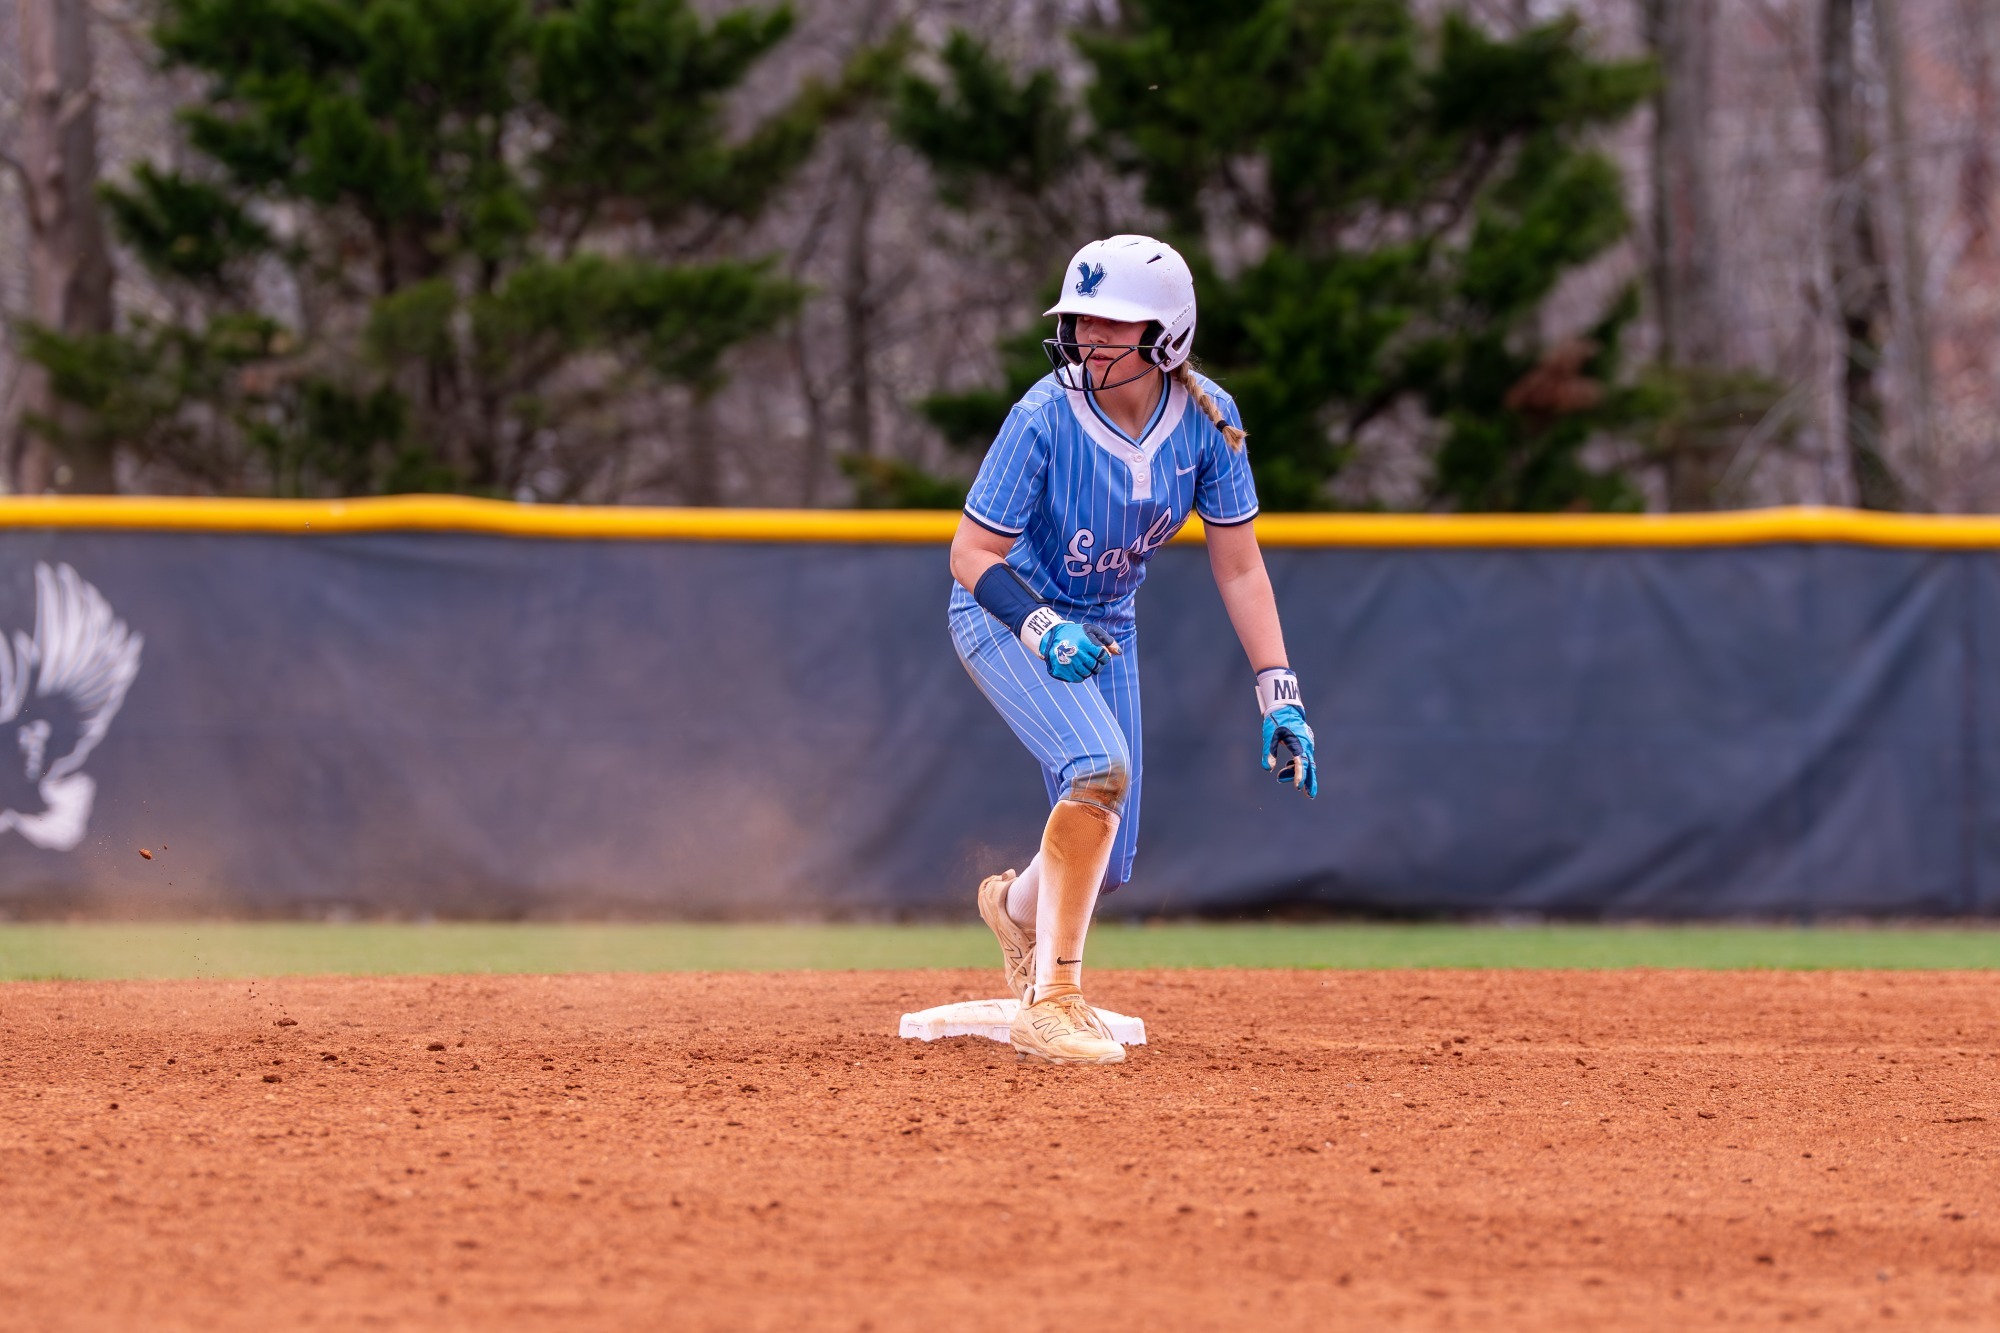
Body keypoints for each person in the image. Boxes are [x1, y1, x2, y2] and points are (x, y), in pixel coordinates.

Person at [949, 234, 1318, 1066]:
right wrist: (1041, 626)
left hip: (1107, 624)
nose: (1087, 337)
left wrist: (1279, 693)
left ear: (1169, 336)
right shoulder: (1043, 413)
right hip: (1007, 615)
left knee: (1107, 862)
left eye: (1112, 323)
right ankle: (1053, 1001)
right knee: (1098, 771)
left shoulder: (1211, 421)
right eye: (1080, 320)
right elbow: (971, 557)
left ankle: (1013, 911)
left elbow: (1242, 567)